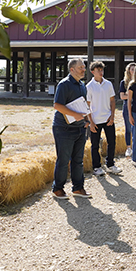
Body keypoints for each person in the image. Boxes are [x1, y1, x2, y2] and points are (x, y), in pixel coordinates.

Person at [51, 58, 92, 200]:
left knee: (78, 160)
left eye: (84, 67)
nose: (83, 69)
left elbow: (82, 105)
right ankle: (58, 189)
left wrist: (86, 120)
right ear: (72, 69)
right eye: (80, 67)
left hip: (80, 128)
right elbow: (57, 105)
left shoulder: (82, 85)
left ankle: (78, 188)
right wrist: (76, 115)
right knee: (63, 160)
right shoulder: (64, 84)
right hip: (63, 128)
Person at [86, 61, 122, 176]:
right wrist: (90, 122)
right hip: (95, 120)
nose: (101, 72)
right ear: (93, 72)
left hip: (107, 118)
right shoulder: (89, 87)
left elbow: (112, 101)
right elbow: (87, 105)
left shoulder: (108, 84)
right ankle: (97, 167)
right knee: (95, 145)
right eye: (98, 70)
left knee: (112, 142)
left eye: (102, 70)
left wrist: (112, 116)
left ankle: (110, 164)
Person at [118, 62, 136, 158]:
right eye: (132, 69)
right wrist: (133, 96)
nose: (133, 71)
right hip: (126, 107)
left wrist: (128, 96)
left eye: (135, 69)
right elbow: (122, 96)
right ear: (128, 71)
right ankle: (128, 147)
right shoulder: (123, 82)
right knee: (128, 128)